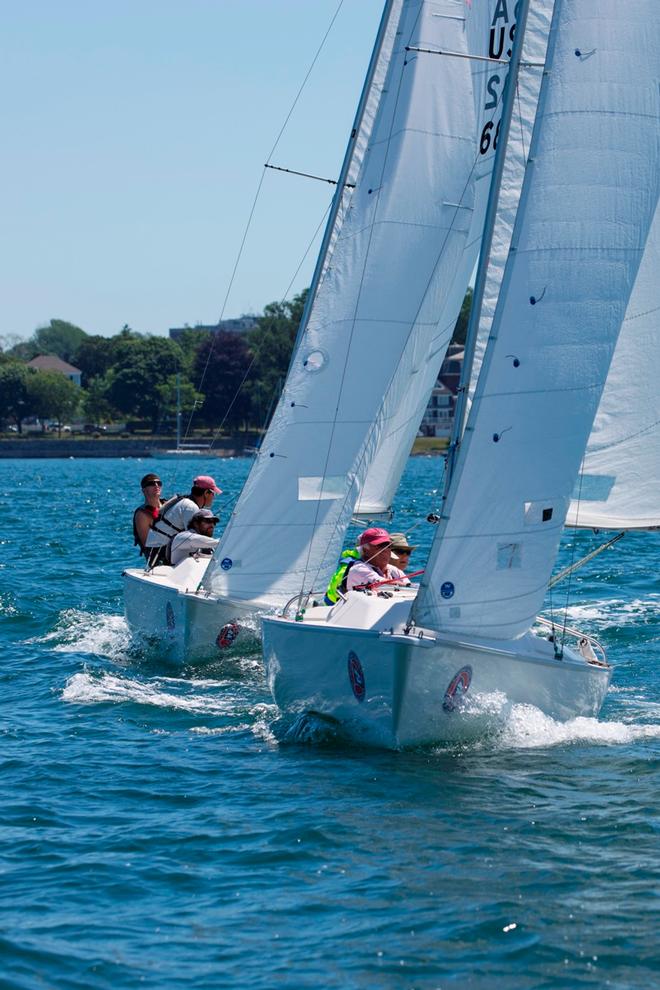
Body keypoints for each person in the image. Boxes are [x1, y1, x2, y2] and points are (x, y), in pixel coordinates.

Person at [147, 474, 223, 558]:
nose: (214, 497)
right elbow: (193, 538)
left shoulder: (185, 501)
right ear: (206, 493)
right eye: (213, 494)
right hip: (159, 553)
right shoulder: (190, 507)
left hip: (155, 550)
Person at [345, 527, 410, 592]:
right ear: (365, 550)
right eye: (381, 545)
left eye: (388, 545)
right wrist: (408, 586)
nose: (386, 549)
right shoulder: (358, 569)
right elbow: (381, 583)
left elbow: (409, 586)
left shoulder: (394, 570)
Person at [133, 473, 168, 565]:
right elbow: (148, 544)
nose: (156, 486)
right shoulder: (142, 514)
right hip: (158, 559)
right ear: (144, 490)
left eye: (159, 483)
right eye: (152, 483)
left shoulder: (168, 505)